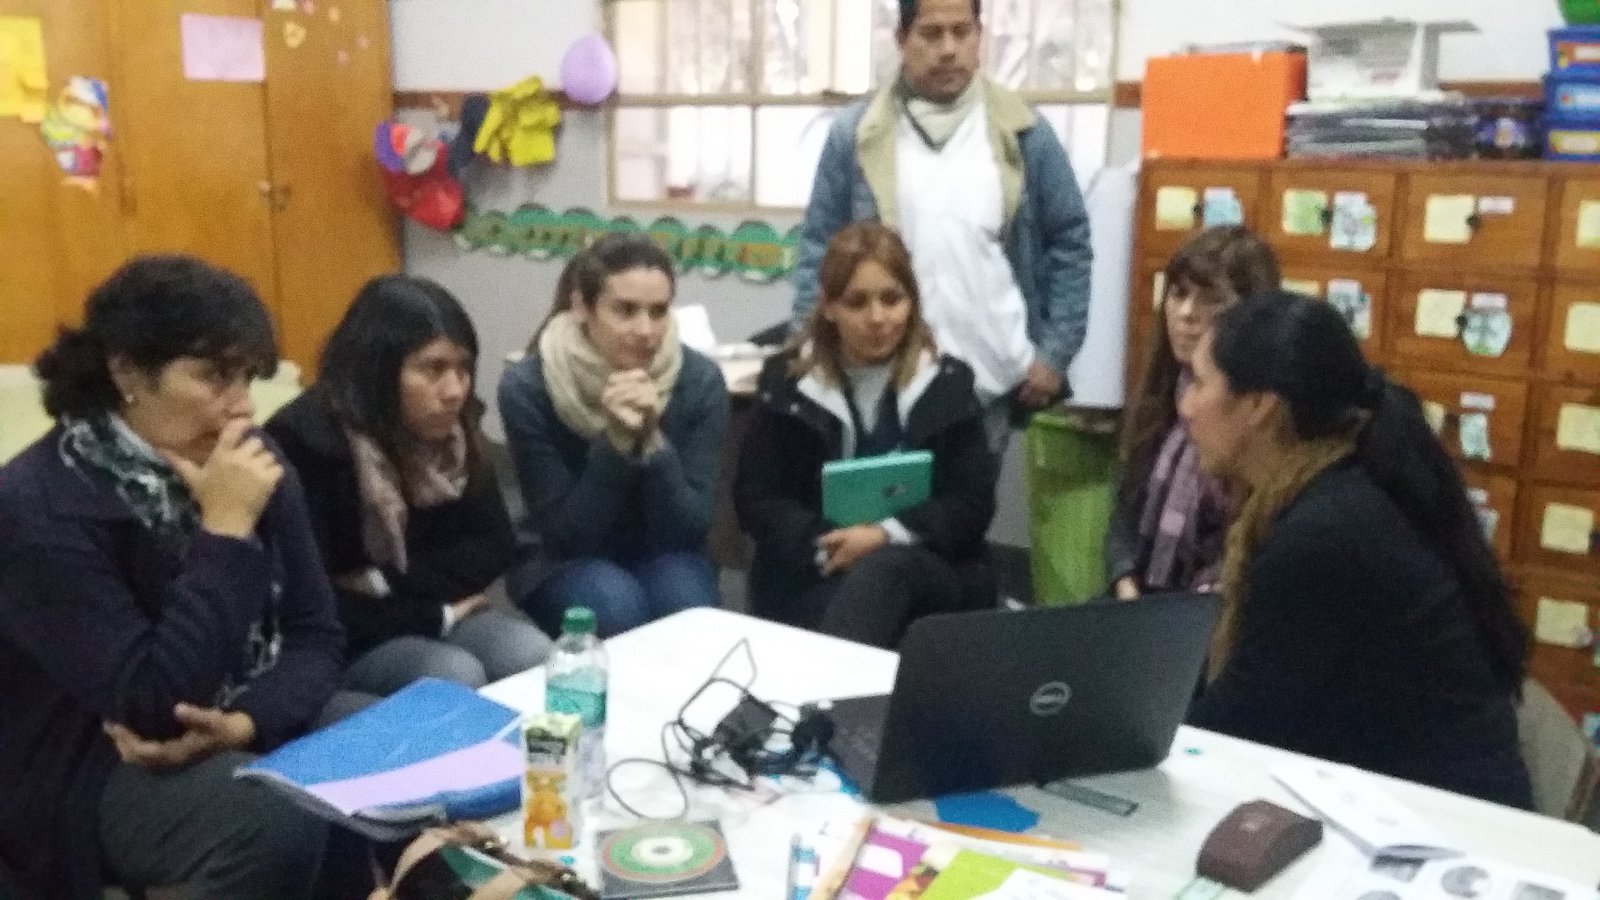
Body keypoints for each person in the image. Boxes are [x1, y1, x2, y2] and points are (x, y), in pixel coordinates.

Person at [0, 257, 346, 900]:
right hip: (88, 765)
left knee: (391, 745)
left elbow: (317, 633)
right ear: (127, 371)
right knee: (269, 817)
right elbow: (152, 704)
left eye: (246, 377)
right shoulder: (37, 505)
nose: (242, 406)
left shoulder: (249, 457)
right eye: (214, 376)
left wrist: (245, 723)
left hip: (235, 712)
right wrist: (225, 532)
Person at [1181, 291, 1533, 808]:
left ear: (1260, 407)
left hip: (1446, 828)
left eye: (1199, 383)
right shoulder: (1341, 485)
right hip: (1392, 799)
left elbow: (1237, 729)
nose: (1186, 407)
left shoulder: (1326, 535)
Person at [792, 0, 1092, 453]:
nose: (949, 49)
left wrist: (1054, 354)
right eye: (931, 34)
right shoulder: (856, 135)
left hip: (991, 384)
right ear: (902, 39)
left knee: (968, 499)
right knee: (875, 498)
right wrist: (807, 349)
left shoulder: (1025, 132)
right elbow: (820, 247)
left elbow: (1069, 243)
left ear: (979, 35)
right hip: (883, 384)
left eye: (961, 31)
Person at [266, 275, 553, 695]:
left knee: (535, 655)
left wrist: (380, 582)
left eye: (463, 368)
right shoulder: (305, 440)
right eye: (433, 369)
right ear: (377, 370)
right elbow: (310, 601)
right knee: (452, 674)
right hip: (346, 641)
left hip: (435, 608)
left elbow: (494, 545)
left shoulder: (453, 428)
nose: (455, 391)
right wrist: (433, 615)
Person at [737, 223, 997, 648]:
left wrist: (884, 535)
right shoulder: (786, 384)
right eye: (857, 302)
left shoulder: (947, 383)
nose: (877, 318)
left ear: (912, 303)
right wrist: (830, 544)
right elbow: (758, 499)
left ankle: (831, 688)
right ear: (828, 306)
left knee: (886, 571)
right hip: (817, 563)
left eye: (892, 299)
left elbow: (971, 503)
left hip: (926, 563)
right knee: (852, 605)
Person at [499, 234, 728, 637]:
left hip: (662, 547)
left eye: (659, 312)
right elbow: (567, 535)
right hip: (559, 556)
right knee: (615, 607)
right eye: (625, 310)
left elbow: (689, 528)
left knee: (689, 611)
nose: (646, 330)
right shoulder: (529, 387)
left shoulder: (699, 381)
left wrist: (652, 442)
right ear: (581, 307)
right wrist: (616, 443)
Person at [1106, 227, 1280, 600]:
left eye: (1211, 299)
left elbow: (1249, 544)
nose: (1187, 314)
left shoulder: (1258, 415)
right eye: (1178, 294)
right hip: (1137, 601)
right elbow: (1123, 511)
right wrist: (1124, 581)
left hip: (1208, 608)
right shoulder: (1160, 395)